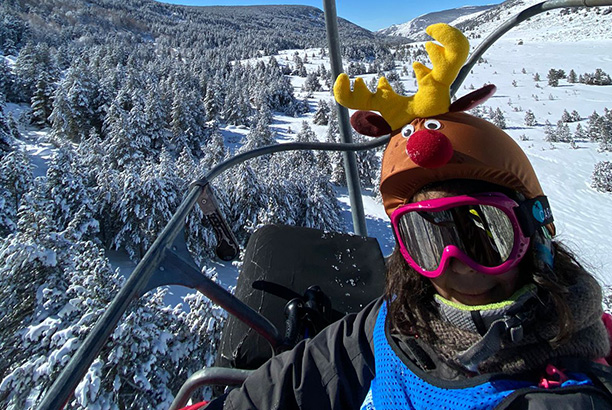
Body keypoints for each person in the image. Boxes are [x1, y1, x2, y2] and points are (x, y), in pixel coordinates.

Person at [202, 24, 612, 409]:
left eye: (484, 236)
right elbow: (305, 375)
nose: (455, 266)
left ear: (534, 229)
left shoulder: (561, 398)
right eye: (425, 240)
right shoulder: (401, 318)